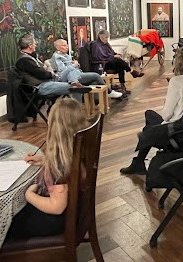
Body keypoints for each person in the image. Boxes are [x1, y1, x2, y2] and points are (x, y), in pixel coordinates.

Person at [5, 97, 88, 239]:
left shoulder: (58, 163)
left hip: (53, 220)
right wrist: (44, 160)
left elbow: (57, 207)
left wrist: (29, 195)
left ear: (53, 127)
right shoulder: (76, 151)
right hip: (72, 213)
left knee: (8, 221)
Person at [120, 45, 183, 174]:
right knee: (149, 119)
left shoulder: (177, 81)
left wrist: (168, 101)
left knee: (149, 122)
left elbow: (166, 115)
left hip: (178, 132)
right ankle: (139, 158)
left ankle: (139, 161)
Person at [15, 34, 90, 96]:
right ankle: (76, 111)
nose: (36, 45)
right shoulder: (24, 60)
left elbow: (40, 71)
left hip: (46, 82)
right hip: (39, 86)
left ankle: (74, 83)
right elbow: (41, 73)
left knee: (73, 81)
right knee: (75, 89)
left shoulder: (29, 57)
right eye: (35, 43)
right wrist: (52, 74)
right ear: (30, 46)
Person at [52, 39, 122, 98]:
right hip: (66, 77)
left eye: (67, 45)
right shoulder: (57, 57)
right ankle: (109, 92)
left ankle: (97, 102)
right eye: (64, 45)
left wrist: (76, 65)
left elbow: (74, 67)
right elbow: (63, 71)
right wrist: (74, 65)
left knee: (94, 81)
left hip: (77, 74)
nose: (67, 47)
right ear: (57, 47)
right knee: (95, 76)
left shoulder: (66, 55)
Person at [92, 30, 143, 94]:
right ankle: (131, 71)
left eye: (107, 37)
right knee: (118, 61)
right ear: (100, 36)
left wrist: (116, 54)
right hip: (103, 65)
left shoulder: (106, 44)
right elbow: (99, 57)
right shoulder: (96, 45)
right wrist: (113, 56)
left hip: (111, 62)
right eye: (105, 37)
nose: (107, 39)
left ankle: (123, 87)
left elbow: (112, 52)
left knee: (120, 66)